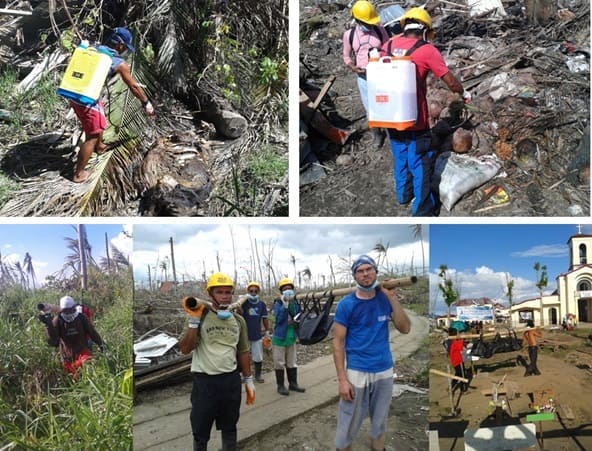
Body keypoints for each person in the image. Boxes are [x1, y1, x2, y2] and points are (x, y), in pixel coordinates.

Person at [380, 7, 470, 216]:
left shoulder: (388, 45)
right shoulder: (426, 50)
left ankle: (403, 195)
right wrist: (462, 92)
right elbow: (448, 80)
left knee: (400, 154)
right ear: (424, 30)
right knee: (420, 160)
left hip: (388, 114)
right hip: (414, 117)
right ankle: (423, 209)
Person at [332, 255, 411, 451]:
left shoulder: (385, 300)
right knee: (348, 421)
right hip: (357, 371)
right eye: (360, 271)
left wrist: (392, 297)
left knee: (380, 421)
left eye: (369, 269)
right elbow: (338, 343)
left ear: (376, 272)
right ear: (355, 276)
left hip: (384, 369)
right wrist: (342, 380)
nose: (365, 273)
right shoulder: (346, 305)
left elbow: (405, 328)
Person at [179, 272, 254, 451]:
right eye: (220, 292)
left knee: (229, 427)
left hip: (230, 381)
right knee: (200, 430)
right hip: (205, 382)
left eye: (228, 292)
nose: (225, 296)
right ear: (210, 294)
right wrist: (193, 323)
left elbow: (243, 351)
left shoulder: (238, 320)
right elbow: (184, 349)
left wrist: (249, 380)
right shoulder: (200, 315)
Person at [70, 27, 155, 183]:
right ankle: (78, 174)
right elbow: (134, 86)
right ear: (120, 45)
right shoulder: (118, 62)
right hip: (86, 100)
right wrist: (146, 103)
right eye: (125, 47)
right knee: (92, 136)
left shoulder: (92, 48)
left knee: (100, 115)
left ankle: (100, 146)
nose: (124, 51)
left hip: (74, 94)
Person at [342, 1, 389, 147]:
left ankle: (391, 131)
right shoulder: (349, 35)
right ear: (357, 20)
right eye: (366, 23)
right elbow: (346, 56)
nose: (369, 26)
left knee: (385, 102)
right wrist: (353, 67)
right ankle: (377, 134)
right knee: (370, 108)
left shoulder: (379, 30)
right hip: (364, 77)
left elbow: (388, 48)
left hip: (381, 75)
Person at [38, 295, 104, 377]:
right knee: (75, 379)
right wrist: (49, 326)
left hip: (82, 352)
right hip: (67, 357)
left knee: (88, 365)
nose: (69, 313)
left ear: (74, 308)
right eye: (66, 311)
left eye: (71, 310)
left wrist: (101, 344)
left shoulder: (81, 318)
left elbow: (92, 332)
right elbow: (53, 342)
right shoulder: (57, 320)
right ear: (62, 310)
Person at [271, 277, 305, 395]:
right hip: (280, 338)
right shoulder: (278, 303)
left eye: (289, 288)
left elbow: (300, 315)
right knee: (279, 362)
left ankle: (293, 384)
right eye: (285, 289)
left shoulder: (295, 303)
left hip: (291, 337)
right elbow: (279, 319)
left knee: (291, 362)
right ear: (281, 291)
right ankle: (280, 386)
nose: (288, 290)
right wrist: (284, 307)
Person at [240, 281, 270, 383]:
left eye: (255, 291)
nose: (253, 292)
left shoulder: (261, 304)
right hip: (244, 335)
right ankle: (245, 375)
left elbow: (264, 318)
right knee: (244, 356)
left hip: (256, 335)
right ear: (248, 291)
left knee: (258, 356)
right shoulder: (244, 303)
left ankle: (258, 375)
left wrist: (267, 331)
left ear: (258, 292)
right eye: (251, 290)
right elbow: (238, 315)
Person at [447, 327, 468, 392]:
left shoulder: (449, 341)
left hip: (454, 360)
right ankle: (463, 389)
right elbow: (462, 347)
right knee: (462, 374)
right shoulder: (455, 342)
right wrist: (462, 339)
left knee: (458, 374)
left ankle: (451, 386)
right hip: (458, 360)